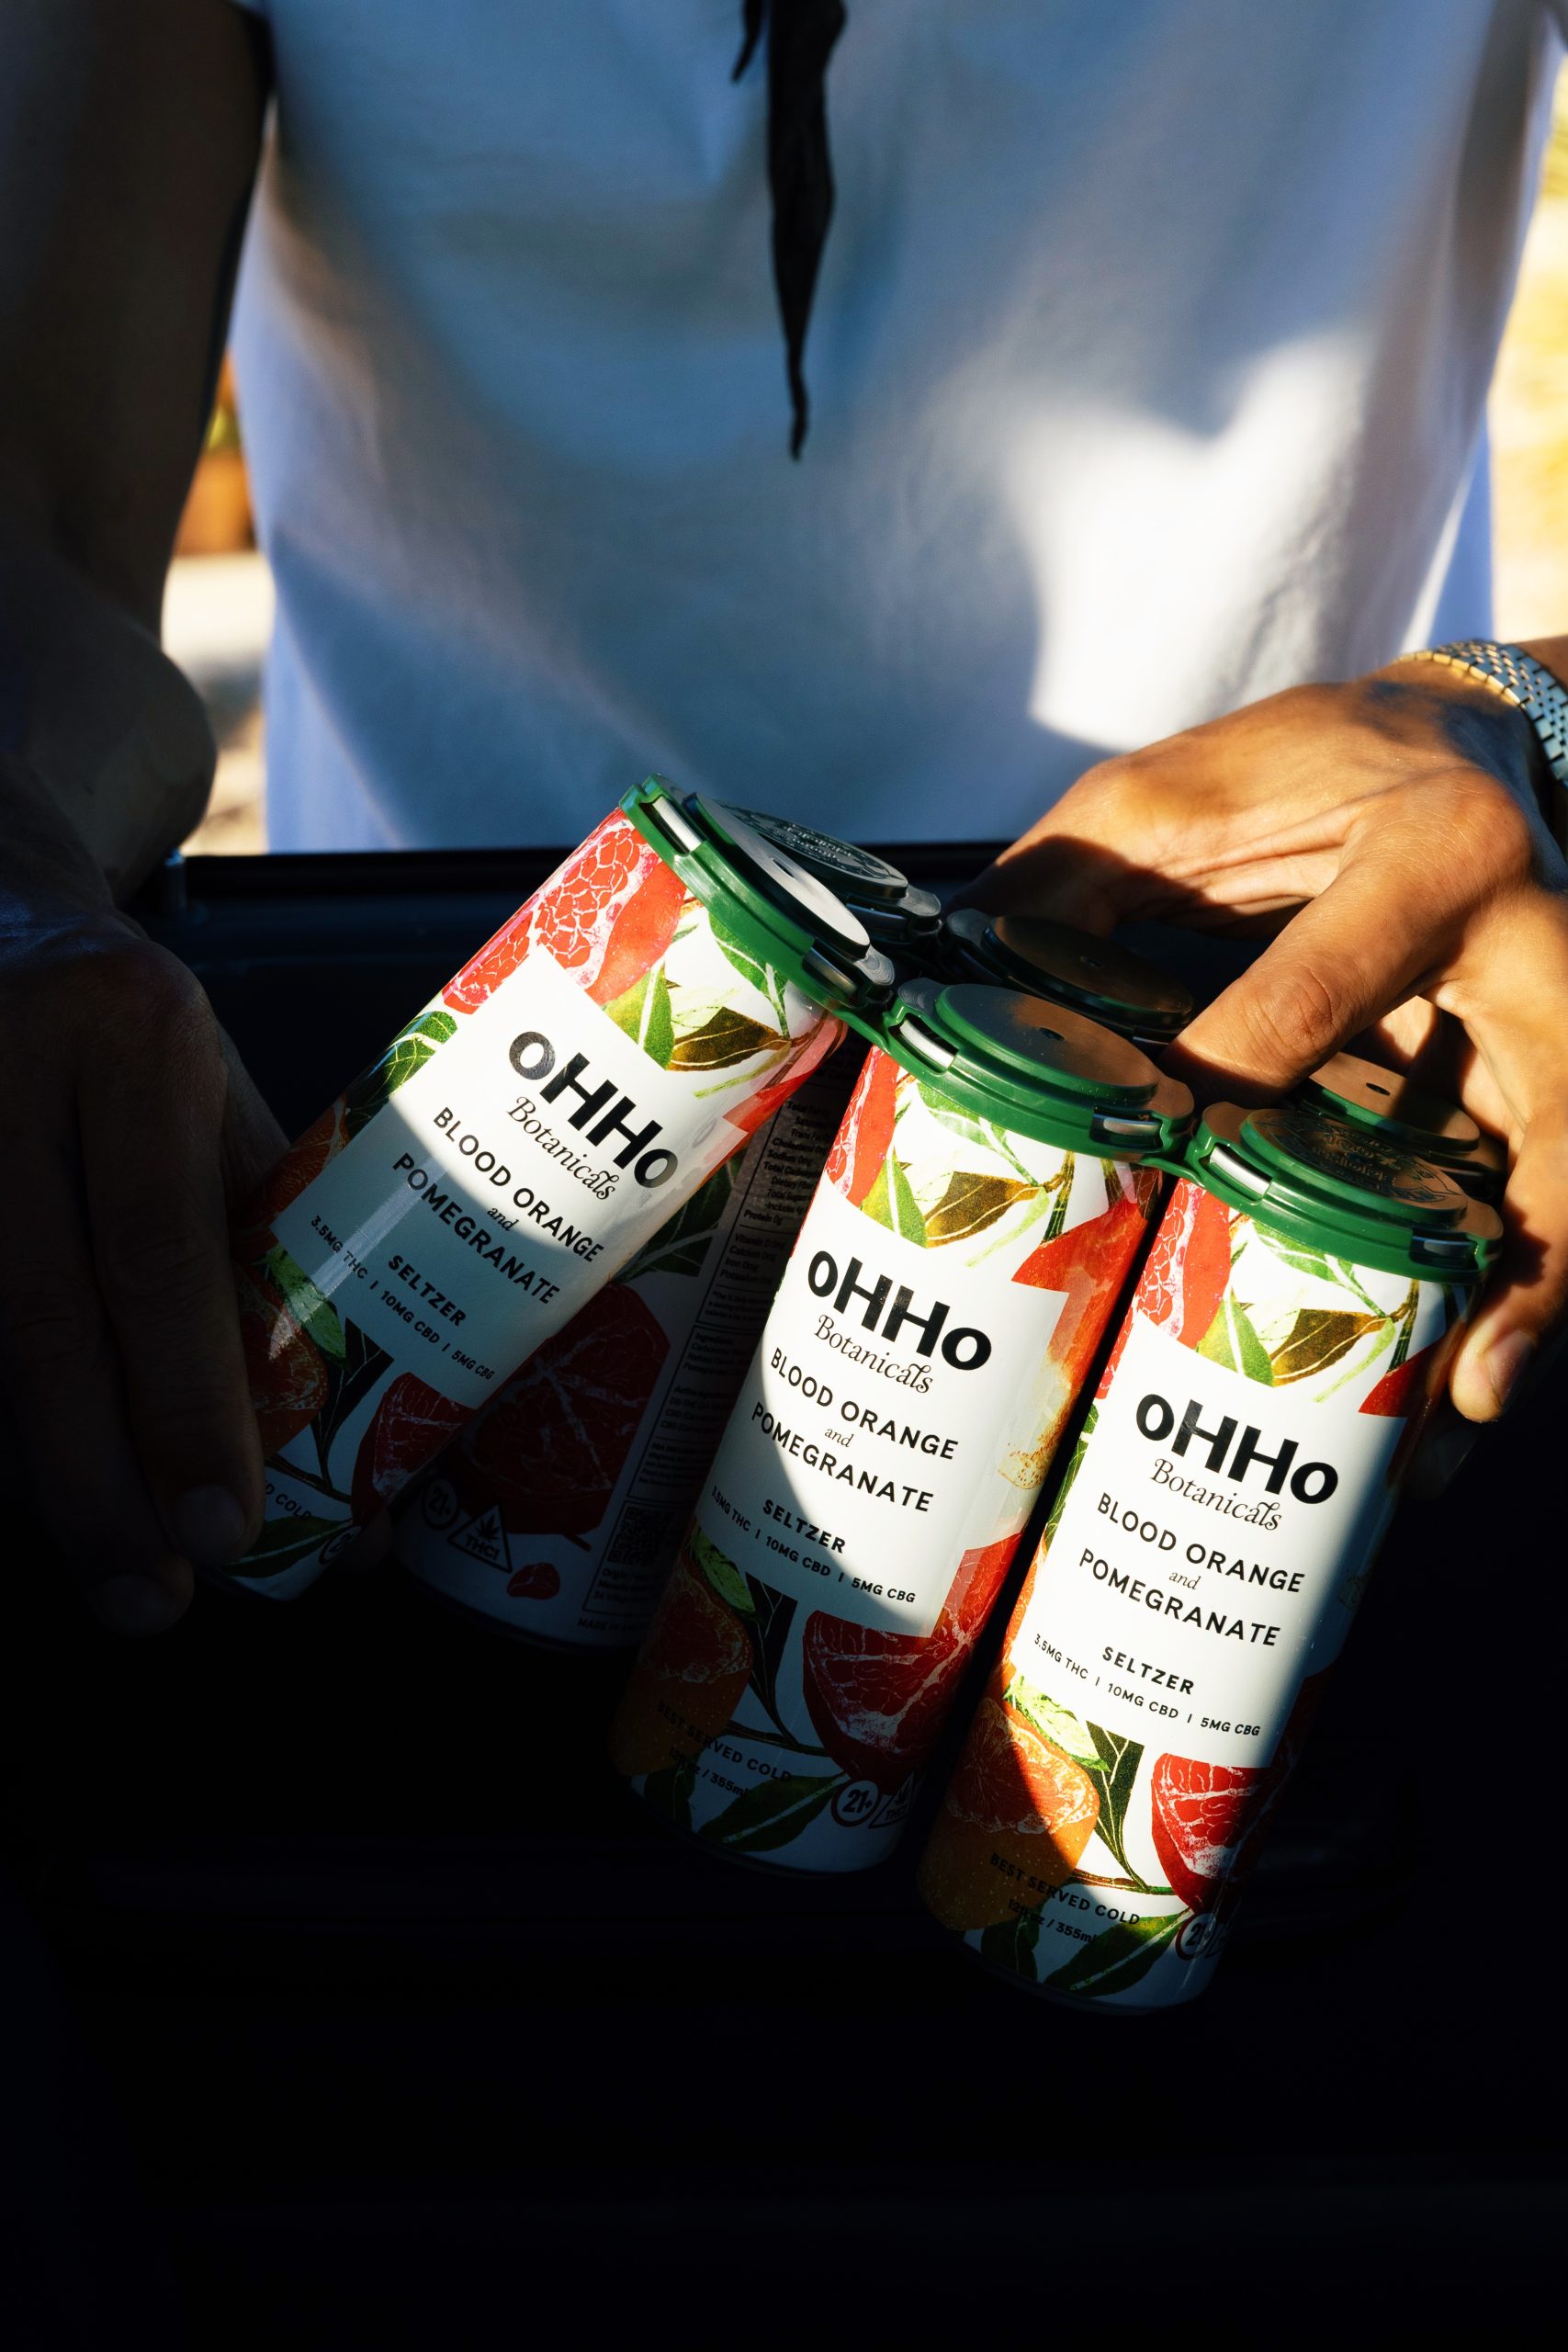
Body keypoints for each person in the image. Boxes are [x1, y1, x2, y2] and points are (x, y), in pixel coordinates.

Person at [2, 0, 1565, 1635]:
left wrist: (1532, 714)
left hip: (1273, 1159)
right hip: (416, 1146)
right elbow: (31, 496)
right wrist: (16, 880)